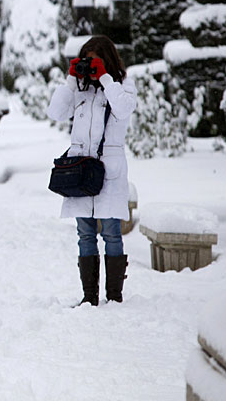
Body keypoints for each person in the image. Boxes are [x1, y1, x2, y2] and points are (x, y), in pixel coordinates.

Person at [47, 35, 137, 306]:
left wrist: (107, 78)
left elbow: (123, 110)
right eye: (87, 60)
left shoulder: (123, 85)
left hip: (108, 169)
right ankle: (89, 297)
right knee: (85, 233)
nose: (91, 66)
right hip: (80, 169)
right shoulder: (80, 88)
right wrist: (71, 80)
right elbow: (56, 113)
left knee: (111, 232)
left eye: (96, 60)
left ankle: (115, 296)